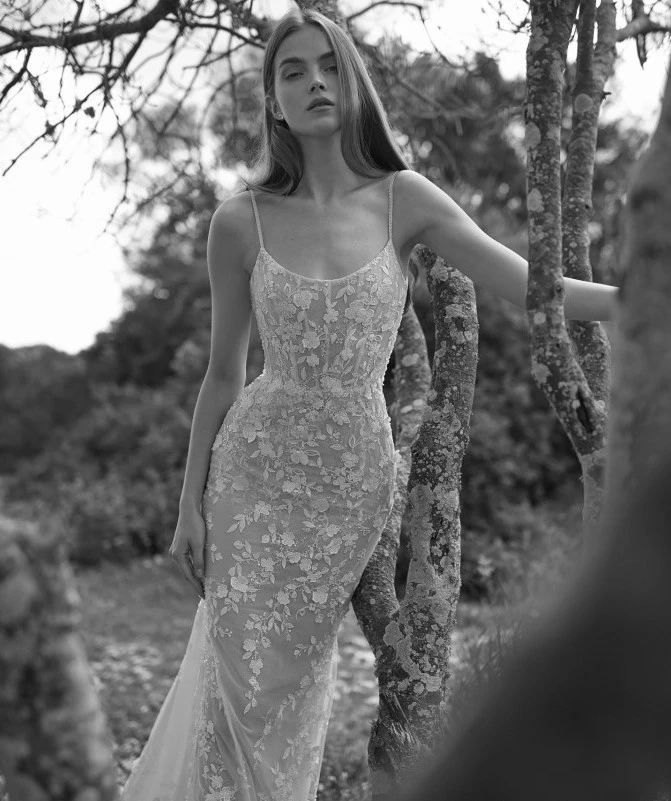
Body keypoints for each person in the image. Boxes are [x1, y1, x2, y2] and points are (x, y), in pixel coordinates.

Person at [119, 7, 617, 800]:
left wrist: (641, 297)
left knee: (286, 690)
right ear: (273, 102)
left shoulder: (403, 199)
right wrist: (188, 504)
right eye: (292, 71)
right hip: (252, 474)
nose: (314, 80)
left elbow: (529, 285)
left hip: (347, 483)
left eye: (328, 65)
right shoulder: (237, 221)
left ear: (351, 84)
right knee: (232, 675)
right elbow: (223, 373)